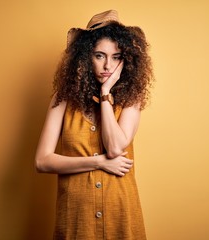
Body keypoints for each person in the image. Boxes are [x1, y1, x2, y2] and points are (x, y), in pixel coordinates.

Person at [35, 9, 153, 239]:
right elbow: (42, 161)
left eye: (116, 57)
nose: (107, 65)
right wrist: (99, 162)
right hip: (77, 216)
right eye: (99, 55)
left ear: (125, 59)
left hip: (120, 212)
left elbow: (116, 147)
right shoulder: (63, 99)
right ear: (85, 57)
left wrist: (106, 94)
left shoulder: (131, 98)